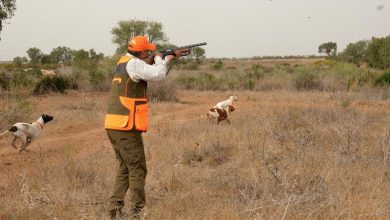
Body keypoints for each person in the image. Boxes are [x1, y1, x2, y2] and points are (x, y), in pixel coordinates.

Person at [104, 35, 182, 219]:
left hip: (115, 124)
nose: (149, 52)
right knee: (138, 169)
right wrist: (161, 58)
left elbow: (151, 72)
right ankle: (137, 213)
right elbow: (159, 74)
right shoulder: (134, 64)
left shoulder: (124, 61)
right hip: (126, 126)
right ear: (142, 52)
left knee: (125, 167)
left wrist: (163, 58)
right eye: (147, 50)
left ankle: (114, 211)